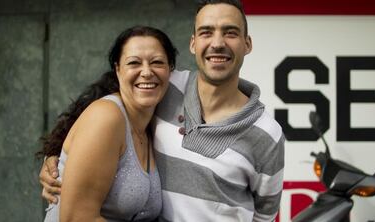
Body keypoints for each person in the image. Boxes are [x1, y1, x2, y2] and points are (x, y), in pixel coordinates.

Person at [40, 0, 285, 221]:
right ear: (193, 43)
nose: (217, 43)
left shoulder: (268, 134)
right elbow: (97, 112)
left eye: (230, 33)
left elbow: (264, 216)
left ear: (247, 44)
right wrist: (56, 157)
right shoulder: (166, 87)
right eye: (206, 32)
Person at [37, 25, 178, 221]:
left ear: (171, 70)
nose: (146, 72)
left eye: (157, 62)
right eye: (134, 63)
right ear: (118, 70)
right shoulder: (107, 116)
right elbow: (77, 218)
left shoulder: (152, 124)